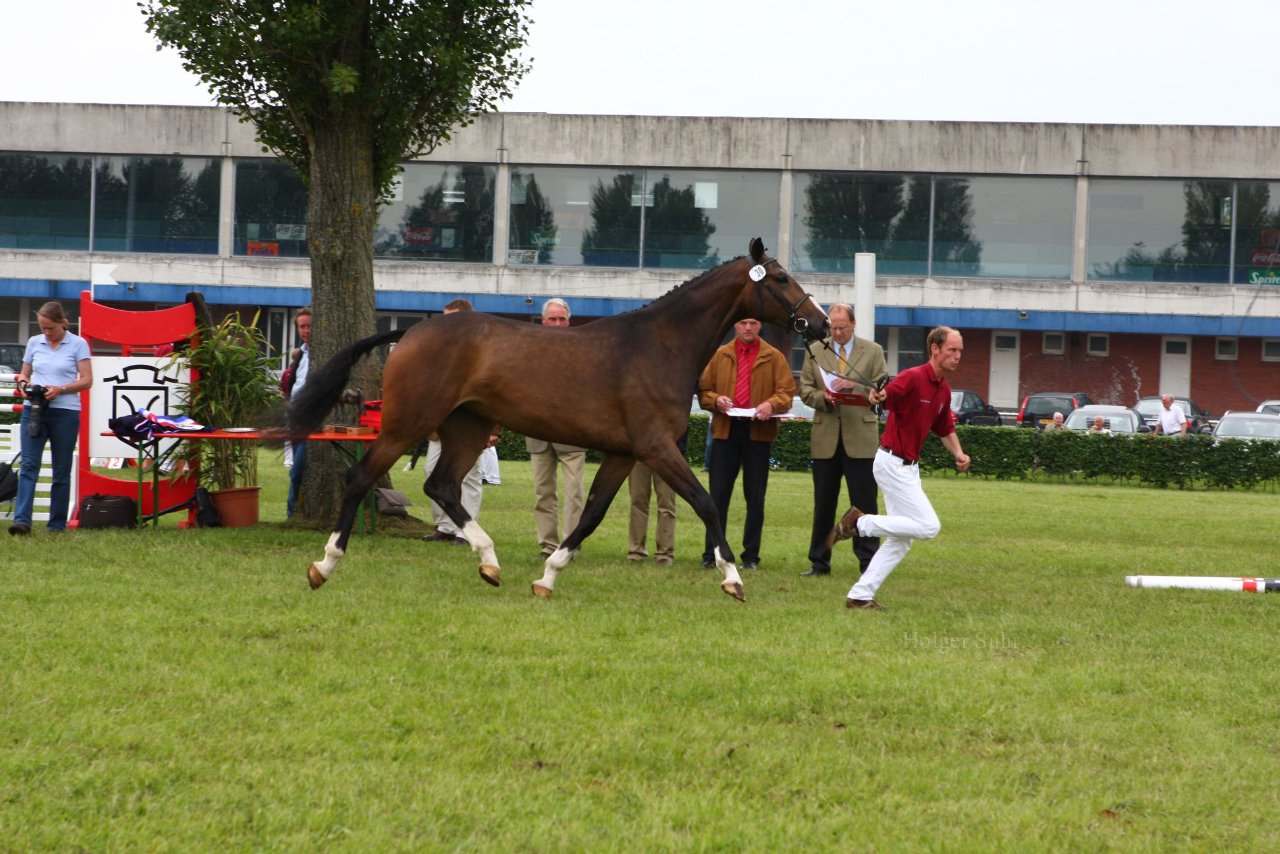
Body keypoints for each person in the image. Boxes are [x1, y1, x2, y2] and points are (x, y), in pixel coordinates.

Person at [829, 326, 971, 610]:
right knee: (929, 526)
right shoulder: (912, 377)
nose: (957, 356)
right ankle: (859, 523)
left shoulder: (943, 389)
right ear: (934, 349)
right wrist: (875, 396)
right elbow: (881, 398)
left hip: (908, 468)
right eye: (952, 350)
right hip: (892, 463)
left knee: (900, 541)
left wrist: (959, 452)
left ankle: (859, 596)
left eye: (960, 351)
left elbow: (944, 427)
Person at [697, 317, 796, 570]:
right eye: (743, 323)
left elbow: (786, 393)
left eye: (752, 323)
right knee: (717, 497)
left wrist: (770, 404)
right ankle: (713, 554)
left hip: (758, 434)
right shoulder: (720, 355)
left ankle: (750, 557)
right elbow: (704, 391)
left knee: (755, 498)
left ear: (760, 326)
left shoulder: (774, 357)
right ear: (735, 326)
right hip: (724, 432)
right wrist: (716, 399)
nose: (748, 328)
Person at [798, 303, 888, 577]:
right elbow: (804, 389)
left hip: (860, 438)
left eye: (842, 328)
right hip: (825, 438)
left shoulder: (873, 351)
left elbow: (882, 388)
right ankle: (819, 562)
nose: (837, 333)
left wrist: (855, 387)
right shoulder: (815, 351)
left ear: (853, 324)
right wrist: (823, 398)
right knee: (823, 503)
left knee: (864, 504)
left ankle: (868, 563)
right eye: (833, 328)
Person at [10, 301, 93, 535]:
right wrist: (24, 384)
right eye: (43, 328)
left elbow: (87, 380)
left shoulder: (78, 344)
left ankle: (56, 525)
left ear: (63, 324)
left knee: (61, 469)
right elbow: (24, 373)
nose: (47, 333)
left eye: (51, 328)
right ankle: (22, 521)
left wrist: (61, 389)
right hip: (34, 409)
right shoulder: (34, 343)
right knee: (28, 465)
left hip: (65, 412)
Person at [423, 298, 501, 544]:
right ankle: (445, 527)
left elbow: (496, 393)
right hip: (440, 427)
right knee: (432, 473)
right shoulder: (438, 351)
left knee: (469, 477)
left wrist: (494, 429)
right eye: (444, 318)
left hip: (471, 428)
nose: (446, 324)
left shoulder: (483, 352)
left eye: (452, 319)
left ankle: (465, 531)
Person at [526, 298, 586, 557]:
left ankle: (569, 546)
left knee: (574, 495)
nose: (557, 323)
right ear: (543, 321)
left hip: (571, 434)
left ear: (568, 322)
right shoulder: (529, 352)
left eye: (562, 319)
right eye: (553, 319)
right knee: (543, 494)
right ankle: (547, 545)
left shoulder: (581, 352)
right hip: (538, 433)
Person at [626, 432, 686, 566]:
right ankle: (636, 550)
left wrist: (679, 449)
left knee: (667, 503)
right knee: (637, 501)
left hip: (668, 452)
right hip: (638, 450)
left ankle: (665, 553)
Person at [283, 307, 311, 517]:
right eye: (302, 326)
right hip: (295, 418)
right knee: (297, 469)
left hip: (313, 420)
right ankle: (295, 512)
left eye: (309, 326)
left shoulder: (322, 353)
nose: (306, 330)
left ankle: (292, 513)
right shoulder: (300, 354)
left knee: (298, 469)